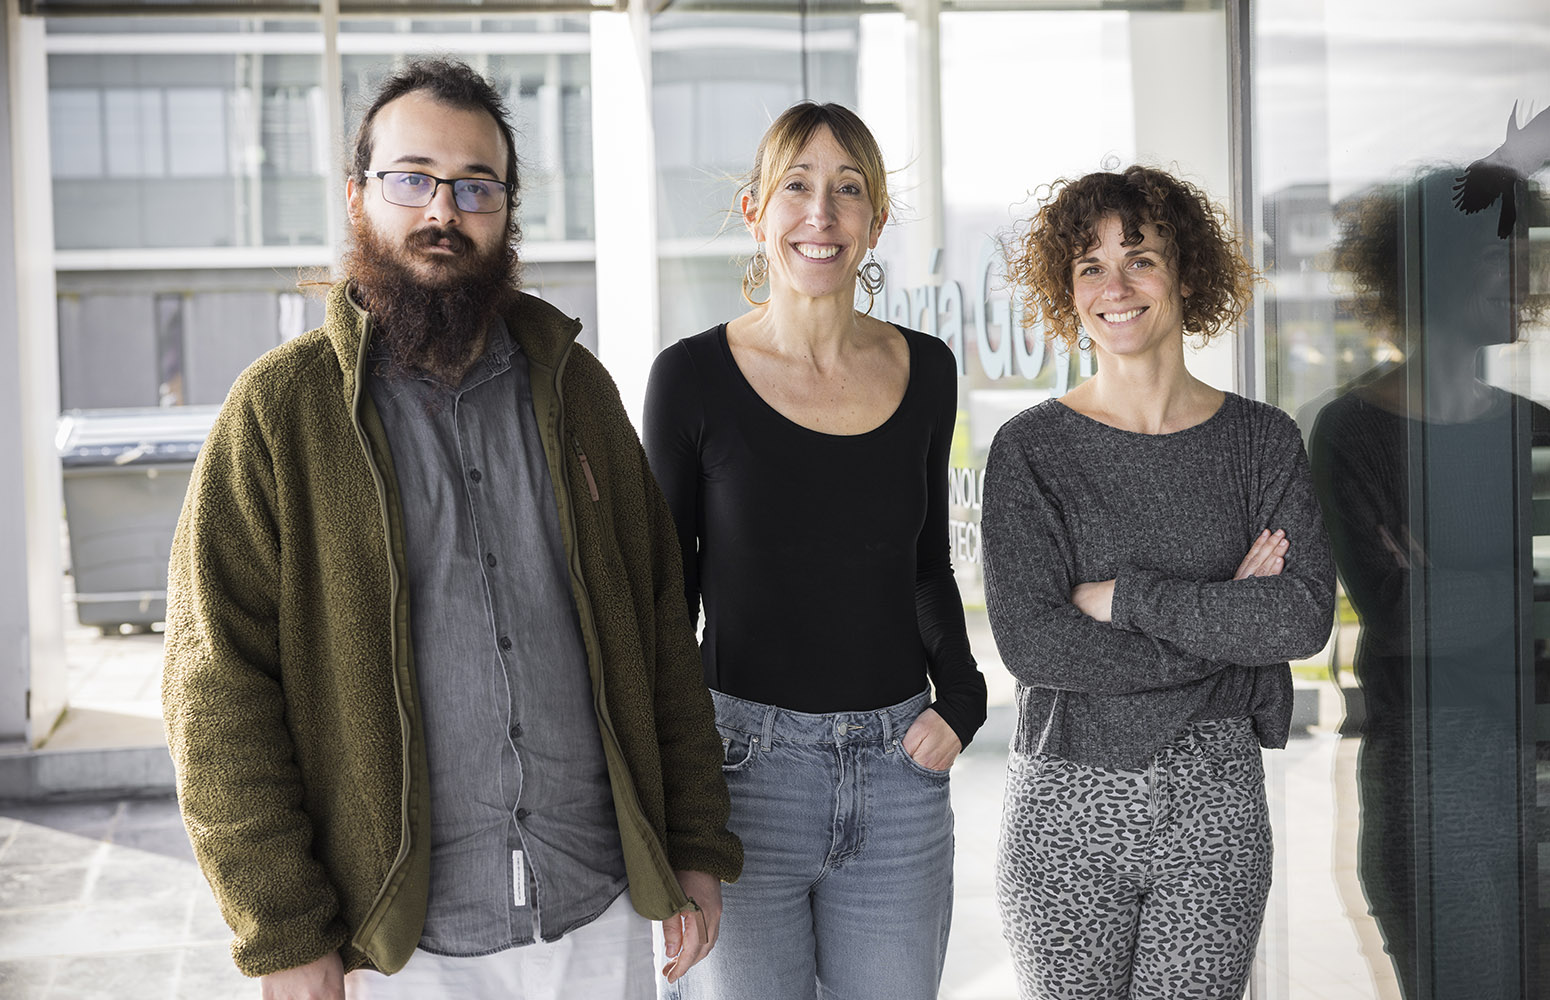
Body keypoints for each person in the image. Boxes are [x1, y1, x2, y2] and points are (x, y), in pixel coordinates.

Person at [161, 58, 741, 1000]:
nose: (444, 209)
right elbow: (215, 691)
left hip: (597, 906)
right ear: (358, 196)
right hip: (398, 945)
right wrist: (282, 930)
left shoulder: (578, 392)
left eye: (476, 185)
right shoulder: (276, 413)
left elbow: (660, 629)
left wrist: (694, 843)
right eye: (412, 179)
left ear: (507, 211)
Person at [642, 101, 987, 1000]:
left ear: (876, 219)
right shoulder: (690, 377)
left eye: (848, 190)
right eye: (796, 187)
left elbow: (924, 565)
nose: (821, 215)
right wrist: (676, 807)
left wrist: (963, 698)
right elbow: (667, 603)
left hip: (900, 775)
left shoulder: (928, 369)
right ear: (755, 213)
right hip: (742, 777)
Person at [982, 164, 1336, 999]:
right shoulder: (1032, 450)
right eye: (1091, 266)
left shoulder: (1261, 440)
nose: (1116, 287)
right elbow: (1035, 644)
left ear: (1185, 275)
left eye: (1139, 258)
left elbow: (1300, 618)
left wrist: (1128, 600)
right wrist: (1225, 630)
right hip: (1067, 810)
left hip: (1217, 810)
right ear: (1067, 292)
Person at [1309, 170, 1547, 1000]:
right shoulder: (1354, 433)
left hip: (1538, 766)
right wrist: (1515, 591)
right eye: (1497, 257)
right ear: (1433, 269)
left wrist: (1462, 591)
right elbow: (1405, 620)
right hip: (1430, 783)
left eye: (1525, 255)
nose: (1522, 277)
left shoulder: (1536, 429)